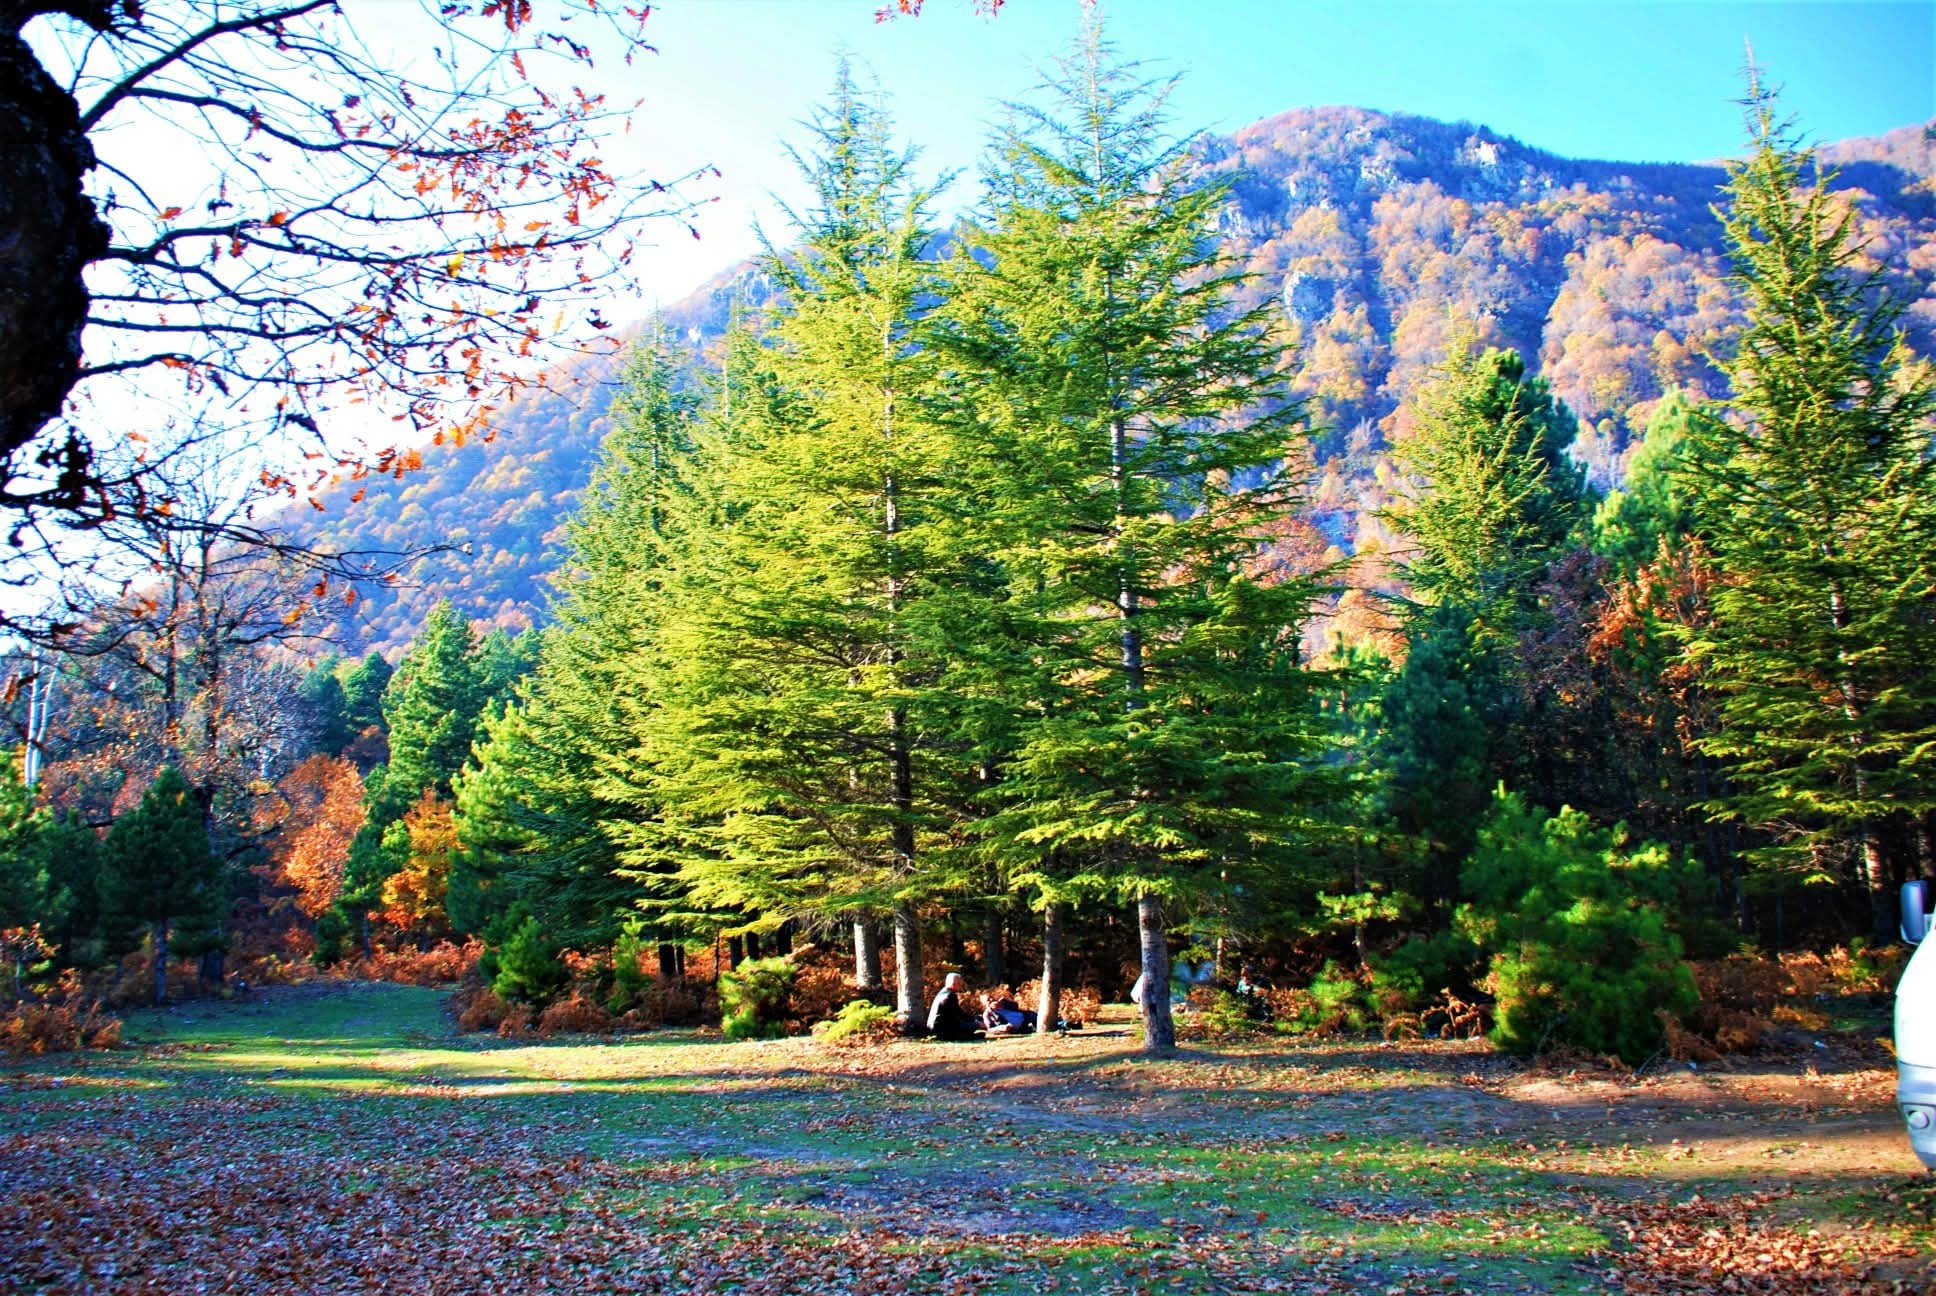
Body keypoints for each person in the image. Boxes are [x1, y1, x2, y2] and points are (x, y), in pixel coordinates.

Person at [926, 971, 982, 1040]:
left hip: (934, 1027)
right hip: (943, 1028)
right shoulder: (950, 996)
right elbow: (959, 1014)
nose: (961, 986)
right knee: (974, 1025)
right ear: (954, 984)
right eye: (960, 984)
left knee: (973, 1023)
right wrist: (976, 1022)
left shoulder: (942, 993)